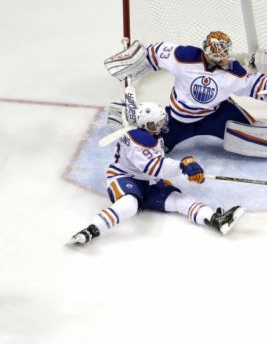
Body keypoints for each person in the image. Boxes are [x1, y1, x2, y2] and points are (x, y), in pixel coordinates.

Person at [104, 31, 267, 161]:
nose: (226, 57)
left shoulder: (232, 71)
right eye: (221, 53)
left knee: (253, 139)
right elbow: (154, 53)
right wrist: (136, 58)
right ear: (210, 52)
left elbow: (252, 82)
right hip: (178, 119)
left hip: (216, 115)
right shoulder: (184, 57)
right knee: (150, 145)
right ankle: (120, 115)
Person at [68, 102, 245, 245]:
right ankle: (91, 230)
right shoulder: (139, 140)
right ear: (145, 124)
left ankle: (215, 220)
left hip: (149, 182)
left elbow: (156, 169)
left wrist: (176, 174)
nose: (160, 126)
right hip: (124, 178)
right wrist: (183, 165)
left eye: (161, 122)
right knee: (131, 203)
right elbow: (154, 167)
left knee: (179, 199)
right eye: (155, 124)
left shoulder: (152, 136)